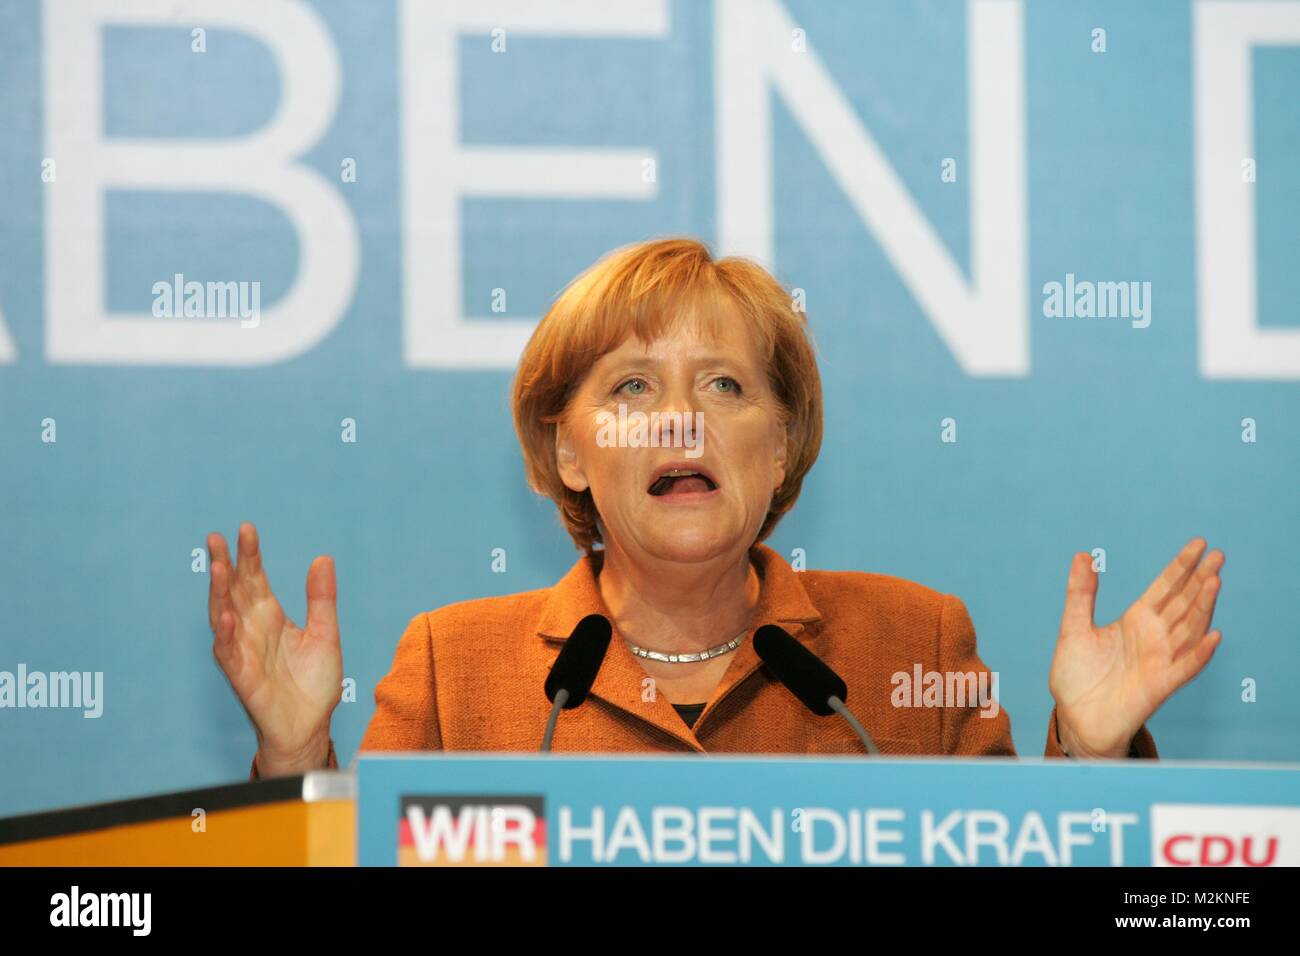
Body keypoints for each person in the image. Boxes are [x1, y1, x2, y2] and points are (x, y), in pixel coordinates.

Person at [204, 238, 1224, 779]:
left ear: (779, 445)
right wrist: (295, 759)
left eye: (725, 387)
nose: (678, 422)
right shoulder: (451, 665)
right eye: (632, 388)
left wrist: (1090, 755)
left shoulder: (912, 644)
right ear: (566, 448)